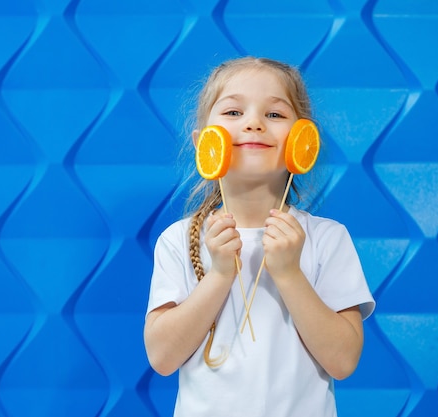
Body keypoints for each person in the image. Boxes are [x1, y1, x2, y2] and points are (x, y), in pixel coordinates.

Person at [144, 56, 375, 417]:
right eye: (234, 112)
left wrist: (289, 273)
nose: (253, 124)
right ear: (203, 141)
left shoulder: (328, 239)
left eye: (275, 115)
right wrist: (219, 275)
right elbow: (161, 357)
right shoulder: (178, 240)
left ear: (303, 141)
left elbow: (344, 361)